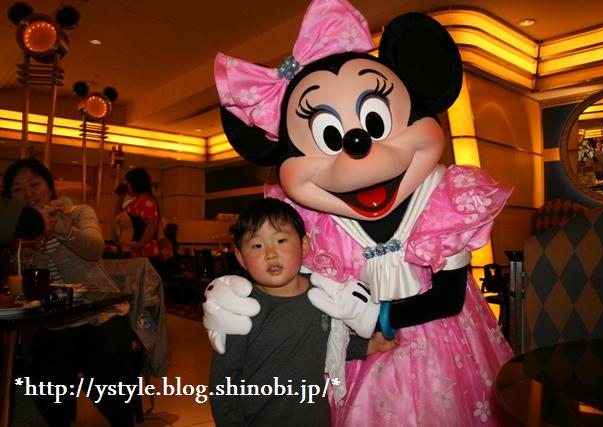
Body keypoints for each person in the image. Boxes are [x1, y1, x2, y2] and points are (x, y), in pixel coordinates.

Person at [208, 0, 514, 425]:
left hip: (444, 347)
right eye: (330, 137)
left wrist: (379, 316)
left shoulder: (442, 199)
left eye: (373, 122)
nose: (357, 145)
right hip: (362, 351)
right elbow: (297, 283)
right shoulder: (316, 222)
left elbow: (448, 297)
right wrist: (241, 295)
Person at [206, 198, 397, 426]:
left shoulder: (322, 294)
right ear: (240, 257)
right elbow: (223, 382)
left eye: (281, 240)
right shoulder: (239, 310)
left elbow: (330, 342)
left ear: (304, 245)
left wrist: (368, 346)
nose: (271, 253)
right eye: (257, 246)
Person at [2, 158, 135, 426]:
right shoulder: (18, 235)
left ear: (50, 187)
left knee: (105, 375)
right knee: (47, 382)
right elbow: (25, 286)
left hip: (101, 315)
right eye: (18, 189)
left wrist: (64, 232)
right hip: (54, 324)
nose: (27, 193)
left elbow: (94, 248)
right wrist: (25, 250)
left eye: (34, 184)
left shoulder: (79, 213)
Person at [122, 167, 160, 261]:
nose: (126, 185)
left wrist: (140, 244)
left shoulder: (146, 201)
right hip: (138, 249)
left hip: (144, 251)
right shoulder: (139, 201)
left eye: (127, 182)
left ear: (134, 183)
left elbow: (151, 225)